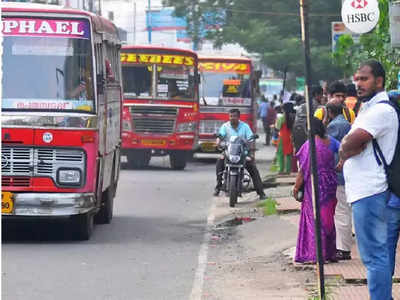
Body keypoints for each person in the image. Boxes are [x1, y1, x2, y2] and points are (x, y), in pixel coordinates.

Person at [340, 60, 399, 300]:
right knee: (380, 255)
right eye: (357, 79)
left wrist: (346, 149)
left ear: (379, 81)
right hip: (369, 192)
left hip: (372, 192)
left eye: (364, 79)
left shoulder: (380, 110)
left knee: (375, 257)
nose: (358, 83)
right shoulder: (368, 108)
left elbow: (349, 143)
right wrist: (349, 148)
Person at [293, 117, 338, 263]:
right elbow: (343, 151)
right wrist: (338, 166)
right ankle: (329, 252)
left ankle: (316, 254)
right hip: (330, 183)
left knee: (314, 219)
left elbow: (302, 170)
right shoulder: (330, 141)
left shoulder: (309, 145)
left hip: (315, 184)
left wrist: (295, 187)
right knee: (328, 218)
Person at [214, 109, 266, 200]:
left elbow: (250, 137)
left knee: (253, 168)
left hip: (243, 153)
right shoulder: (225, 126)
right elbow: (220, 135)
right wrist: (218, 142)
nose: (232, 118)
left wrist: (250, 141)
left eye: (234, 116)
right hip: (228, 152)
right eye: (230, 116)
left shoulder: (245, 126)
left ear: (238, 117)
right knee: (219, 162)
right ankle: (218, 186)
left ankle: (261, 192)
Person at [326, 102, 352, 260]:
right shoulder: (347, 124)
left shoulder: (334, 126)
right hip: (347, 172)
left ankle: (343, 248)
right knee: (346, 210)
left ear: (329, 112)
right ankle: (344, 247)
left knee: (341, 211)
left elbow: (329, 148)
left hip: (338, 174)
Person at [292, 85, 324, 154]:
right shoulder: (320, 108)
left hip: (298, 140)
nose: (322, 97)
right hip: (311, 141)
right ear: (316, 95)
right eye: (321, 95)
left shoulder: (300, 107)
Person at [275, 102, 295, 174]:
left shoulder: (281, 117)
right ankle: (288, 170)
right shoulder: (294, 116)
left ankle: (281, 170)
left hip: (282, 137)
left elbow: (277, 127)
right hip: (290, 137)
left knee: (280, 154)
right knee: (289, 154)